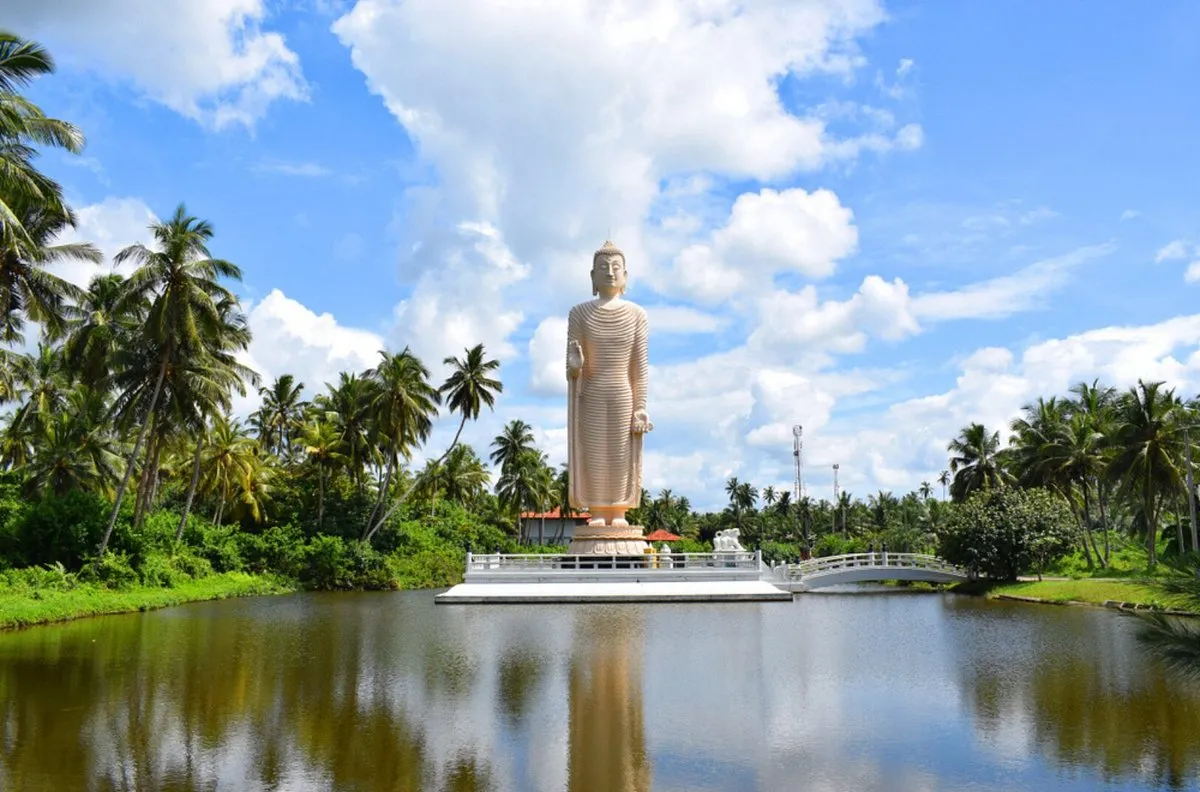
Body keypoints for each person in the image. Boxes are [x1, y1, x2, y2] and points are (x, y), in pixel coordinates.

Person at [565, 241, 652, 556]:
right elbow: (572, 366)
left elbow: (639, 369)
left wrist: (640, 408)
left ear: (626, 276)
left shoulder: (637, 315)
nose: (610, 273)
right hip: (591, 391)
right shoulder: (579, 313)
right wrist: (574, 368)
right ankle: (598, 511)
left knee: (619, 454)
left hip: (622, 394)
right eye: (603, 268)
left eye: (616, 268)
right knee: (594, 453)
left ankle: (618, 511)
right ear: (592, 276)